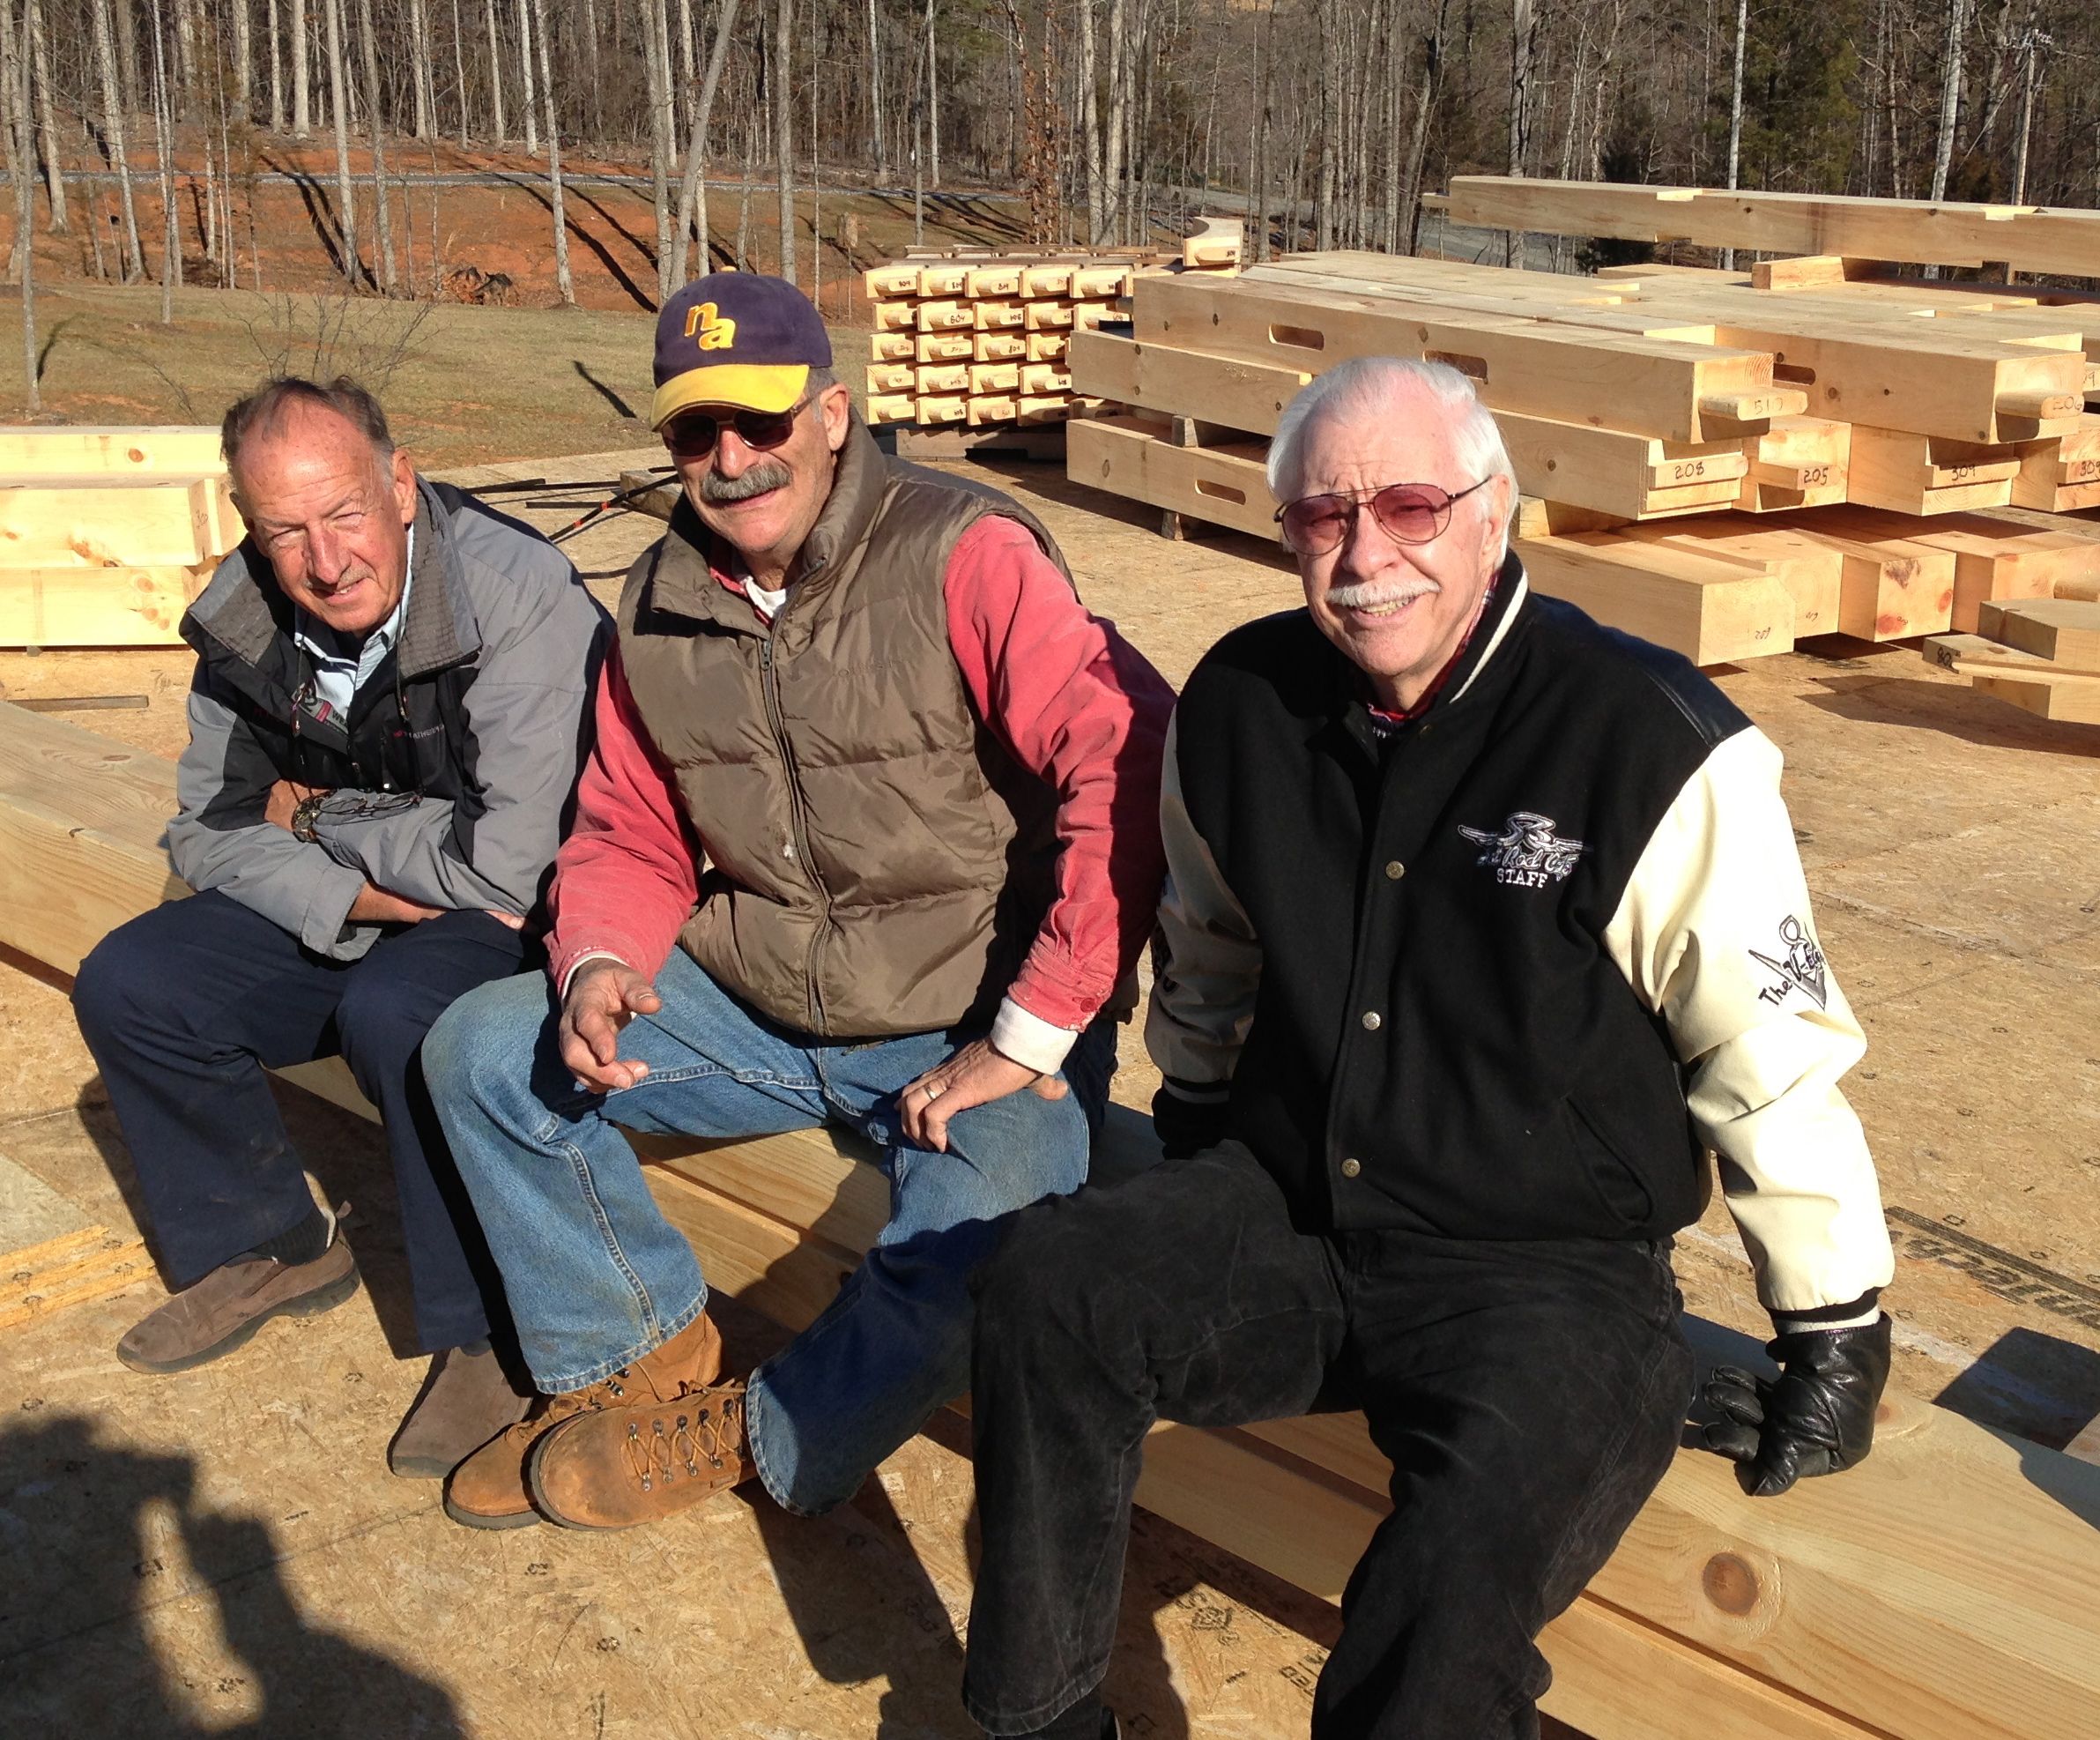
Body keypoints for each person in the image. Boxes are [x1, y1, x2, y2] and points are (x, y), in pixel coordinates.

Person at [959, 356, 1896, 1740]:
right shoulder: (1241, 704)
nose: (1362, 555)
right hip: (1292, 1208)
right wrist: (1201, 1134)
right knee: (1049, 1287)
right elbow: (1210, 949)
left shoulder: (1645, 741)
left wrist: (1832, 1322)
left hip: (1544, 1273)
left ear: (1493, 509)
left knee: (1433, 1622)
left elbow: (1765, 1041)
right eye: (1320, 516)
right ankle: (1040, 1721)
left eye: (1408, 505)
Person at [422, 272, 1176, 1533]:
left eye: (760, 421)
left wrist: (1037, 1025)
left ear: (832, 414)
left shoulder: (964, 552)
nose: (730, 460)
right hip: (760, 1001)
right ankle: (633, 1356)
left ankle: (760, 1432)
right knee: (481, 1053)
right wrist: (597, 960)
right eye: (694, 431)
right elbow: (627, 824)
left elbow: (1125, 761)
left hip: (970, 1017)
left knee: (995, 1214)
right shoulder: (654, 604)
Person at [72, 376, 608, 1483]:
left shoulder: (515, 594)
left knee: (398, 1011)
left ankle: (489, 1329)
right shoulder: (242, 615)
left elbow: (506, 865)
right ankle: (266, 1244)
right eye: (286, 532)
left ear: (401, 486)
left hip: (534, 908)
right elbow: (211, 826)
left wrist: (321, 817)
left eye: (346, 512)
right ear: (251, 527)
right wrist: (350, 895)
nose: (326, 561)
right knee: (135, 983)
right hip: (374, 894)